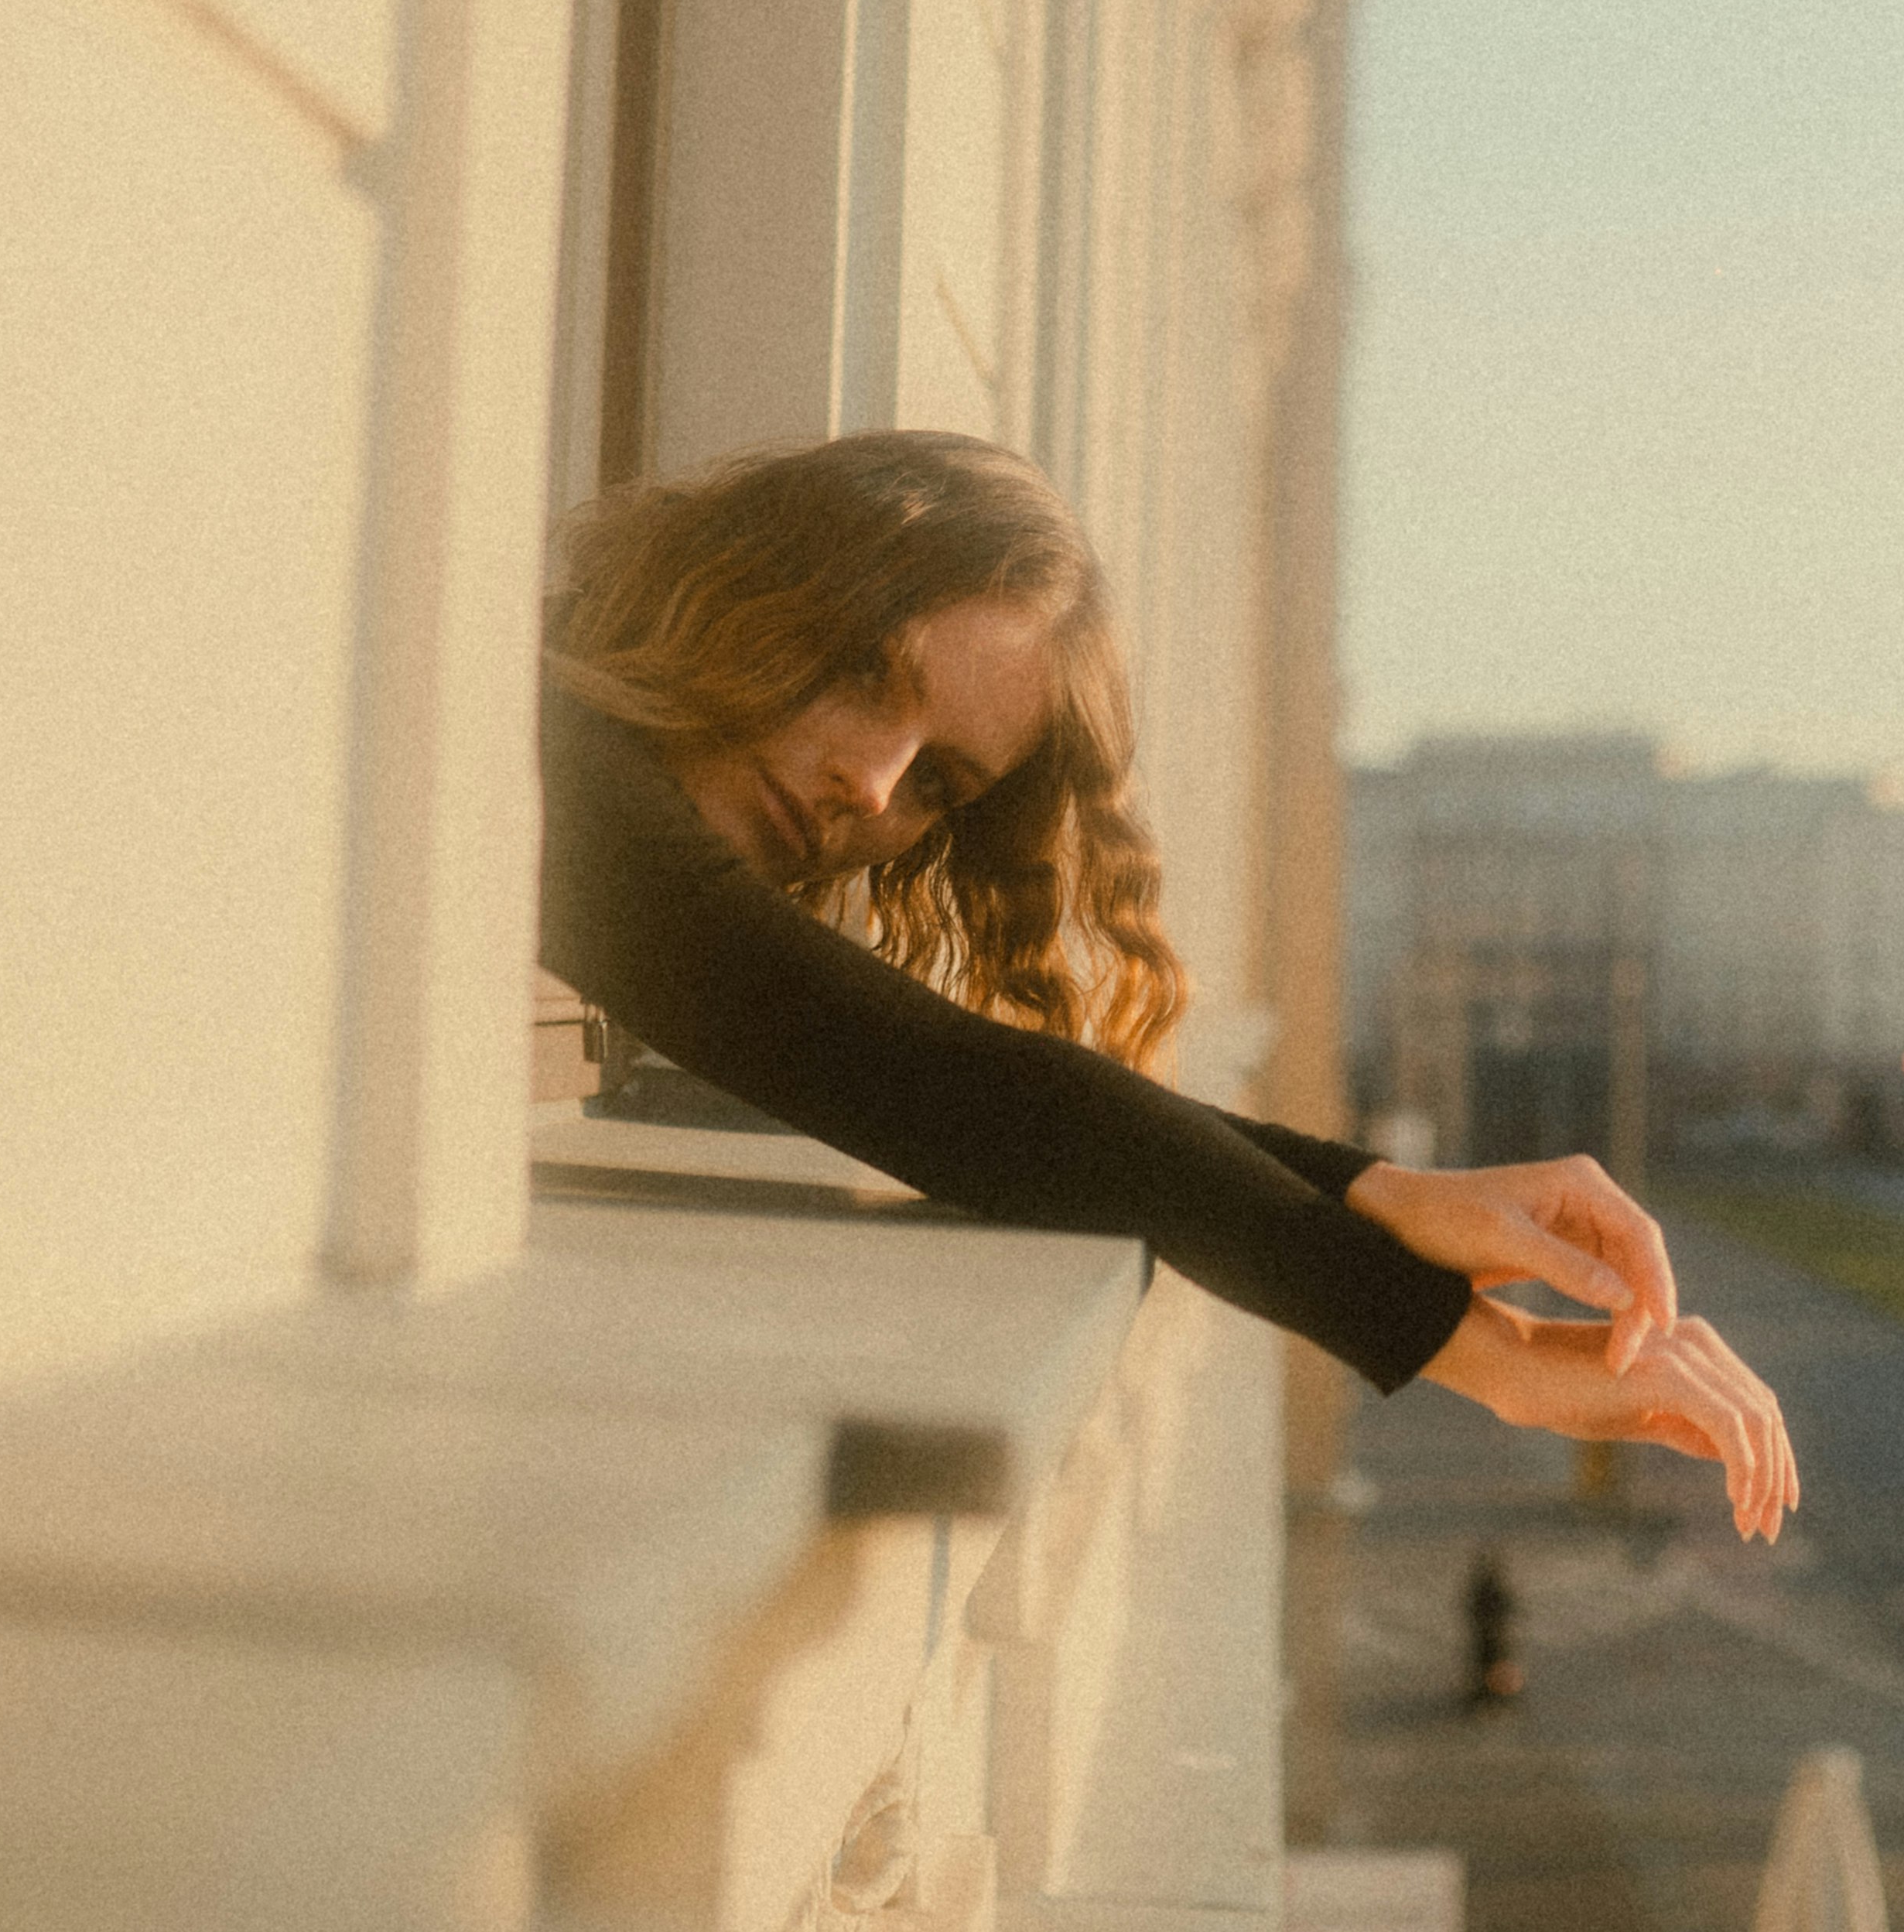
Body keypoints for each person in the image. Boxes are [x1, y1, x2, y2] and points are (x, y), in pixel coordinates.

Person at [538, 428, 1795, 1540]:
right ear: (760, 576)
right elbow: (946, 1087)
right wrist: (1489, 1349)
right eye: (871, 675)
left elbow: (982, 1086)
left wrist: (1383, 1192)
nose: (873, 787)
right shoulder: (539, 755)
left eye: (938, 785)